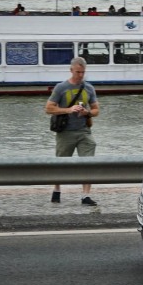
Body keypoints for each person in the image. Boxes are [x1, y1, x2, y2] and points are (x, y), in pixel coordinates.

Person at [46, 57, 100, 207]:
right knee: (61, 163)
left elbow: (96, 110)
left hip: (84, 130)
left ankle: (86, 195)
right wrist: (68, 110)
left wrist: (87, 112)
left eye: (83, 72)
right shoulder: (61, 88)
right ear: (71, 70)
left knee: (88, 162)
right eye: (77, 72)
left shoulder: (89, 88)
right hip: (65, 132)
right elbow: (49, 108)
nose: (80, 75)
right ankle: (57, 190)